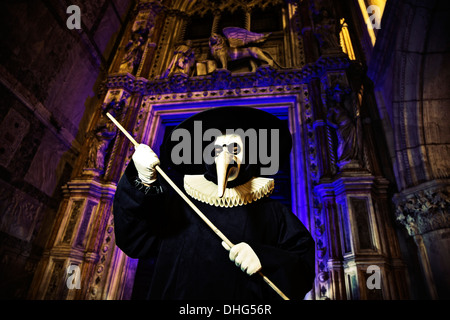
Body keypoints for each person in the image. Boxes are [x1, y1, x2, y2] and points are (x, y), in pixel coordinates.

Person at [113, 106, 315, 299]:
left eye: (235, 147)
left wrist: (265, 258)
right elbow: (134, 241)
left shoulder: (273, 212)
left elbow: (302, 267)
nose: (226, 155)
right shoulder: (177, 200)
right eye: (218, 149)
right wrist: (142, 180)